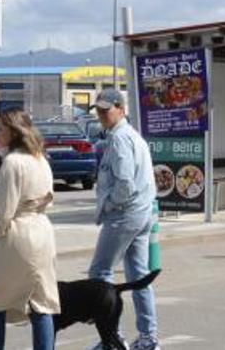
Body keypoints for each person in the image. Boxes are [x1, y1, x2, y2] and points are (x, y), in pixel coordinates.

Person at [0, 107, 59, 350]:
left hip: (18, 233)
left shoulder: (12, 162)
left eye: (1, 128)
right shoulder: (40, 158)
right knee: (40, 303)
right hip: (42, 230)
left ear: (14, 131)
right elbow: (50, 198)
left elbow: (6, 208)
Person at [87, 88, 159, 350]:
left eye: (107, 110)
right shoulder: (132, 136)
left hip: (125, 214)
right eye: (99, 110)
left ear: (121, 108)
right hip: (142, 212)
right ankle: (148, 338)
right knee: (138, 276)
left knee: (99, 275)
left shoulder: (119, 139)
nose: (102, 115)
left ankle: (112, 339)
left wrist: (108, 205)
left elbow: (125, 184)